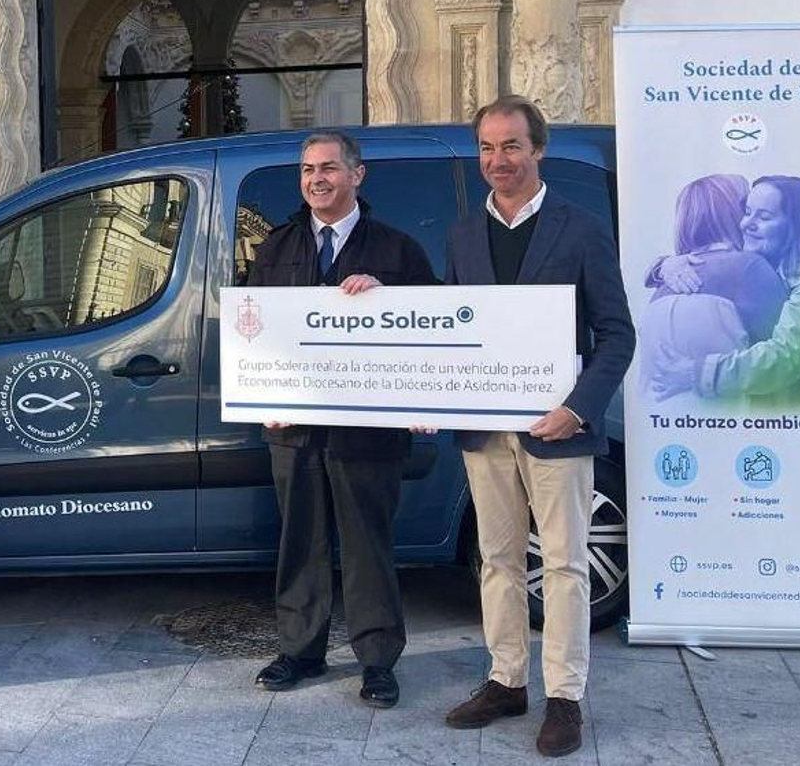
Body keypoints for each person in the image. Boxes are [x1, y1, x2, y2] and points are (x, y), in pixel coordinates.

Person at [441, 96, 634, 757]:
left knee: (564, 565)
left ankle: (565, 698)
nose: (498, 160)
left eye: (511, 146)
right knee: (496, 561)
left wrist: (577, 408)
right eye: (487, 148)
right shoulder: (463, 235)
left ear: (538, 149)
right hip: (486, 433)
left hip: (559, 430)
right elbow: (450, 331)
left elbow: (617, 333)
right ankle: (506, 681)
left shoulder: (581, 229)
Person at [244, 130, 436, 709]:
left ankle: (377, 661)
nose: (316, 179)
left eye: (328, 167)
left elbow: (434, 328)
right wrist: (259, 395)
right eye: (307, 169)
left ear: (357, 174)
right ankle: (300, 651)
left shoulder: (398, 251)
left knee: (367, 547)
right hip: (294, 430)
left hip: (368, 433)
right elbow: (253, 330)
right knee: (299, 542)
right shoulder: (274, 248)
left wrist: (386, 296)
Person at [652, 175, 800, 408]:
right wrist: (663, 266)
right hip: (775, 418)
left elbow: (789, 355)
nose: (746, 224)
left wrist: (700, 373)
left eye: (764, 217)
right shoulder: (769, 261)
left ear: (796, 225)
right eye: (747, 212)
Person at [638, 174, 786, 402]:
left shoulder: (663, 287)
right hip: (731, 420)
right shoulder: (750, 269)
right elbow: (784, 360)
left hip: (657, 419)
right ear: (736, 214)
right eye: (747, 208)